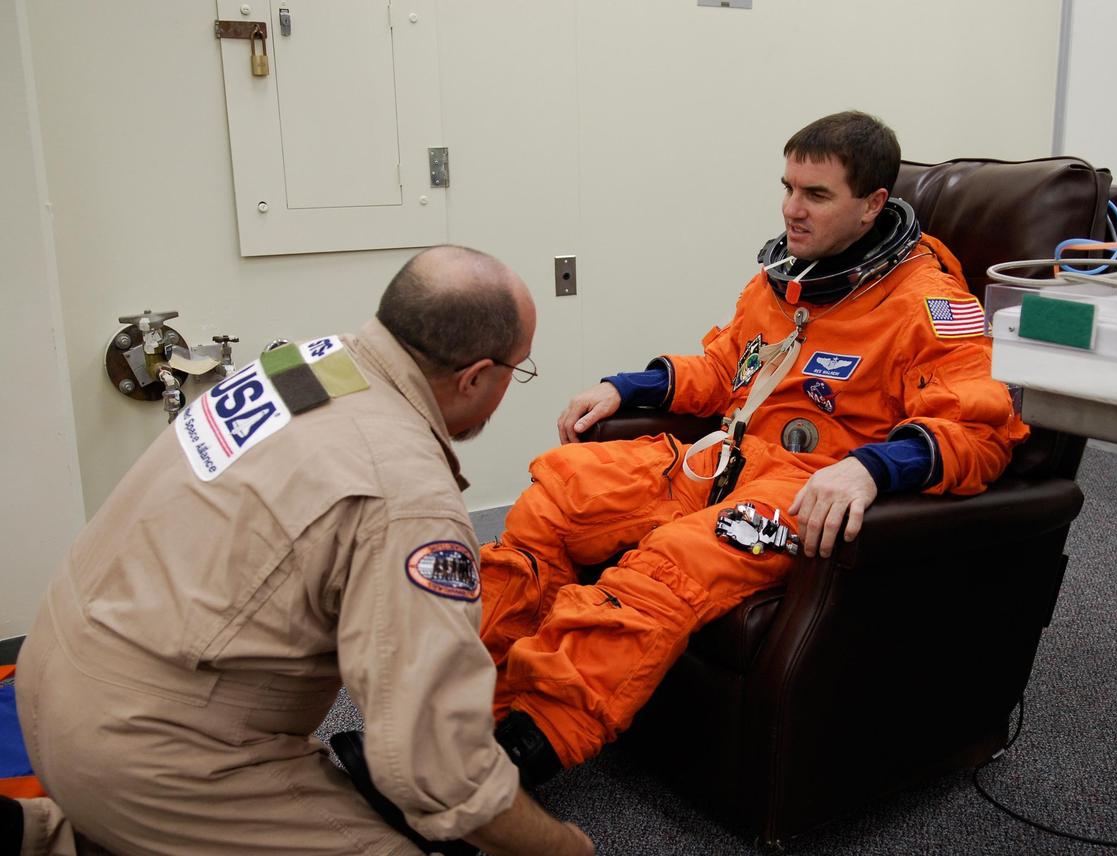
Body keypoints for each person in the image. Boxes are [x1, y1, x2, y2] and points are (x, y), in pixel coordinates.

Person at [480, 111, 1030, 783]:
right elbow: (724, 367)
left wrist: (870, 468)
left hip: (802, 487)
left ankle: (515, 757)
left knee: (669, 566)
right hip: (723, 459)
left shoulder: (929, 305)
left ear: (873, 206)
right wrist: (626, 387)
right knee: (557, 497)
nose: (791, 209)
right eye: (789, 187)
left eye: (816, 195)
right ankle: (461, 709)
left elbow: (979, 429)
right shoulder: (782, 280)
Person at [7, 246, 595, 856]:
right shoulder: (409, 499)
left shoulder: (304, 364)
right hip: (146, 752)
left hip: (51, 673)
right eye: (516, 370)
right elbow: (438, 773)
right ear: (475, 376)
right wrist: (565, 849)